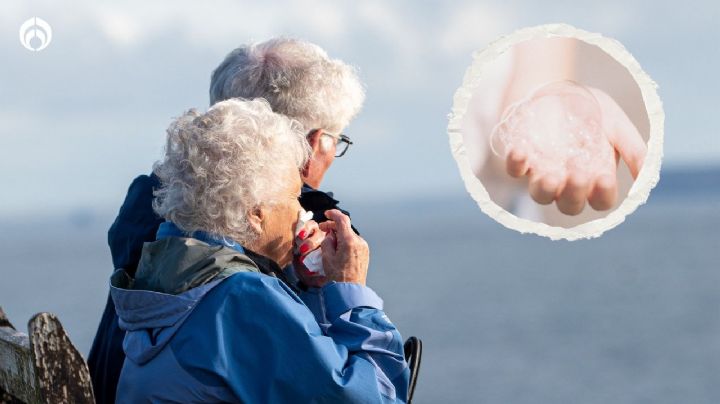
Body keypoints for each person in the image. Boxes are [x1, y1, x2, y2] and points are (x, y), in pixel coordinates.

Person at [88, 38, 366, 403]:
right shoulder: (295, 228)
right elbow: (344, 387)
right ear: (312, 142)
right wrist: (345, 293)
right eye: (336, 139)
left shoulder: (152, 203)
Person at [111, 98, 409, 402]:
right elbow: (375, 398)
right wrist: (350, 294)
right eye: (294, 197)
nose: (301, 212)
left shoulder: (169, 277)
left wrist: (314, 288)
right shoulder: (241, 297)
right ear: (256, 214)